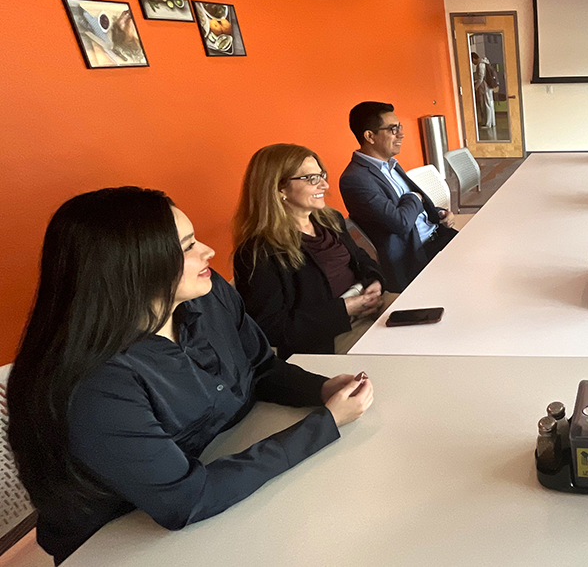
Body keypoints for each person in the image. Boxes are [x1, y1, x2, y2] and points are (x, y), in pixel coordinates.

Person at [7, 187, 374, 563]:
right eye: (186, 247)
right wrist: (325, 423)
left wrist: (321, 388)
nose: (208, 251)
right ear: (130, 266)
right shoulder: (95, 383)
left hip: (230, 480)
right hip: (125, 541)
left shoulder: (207, 294)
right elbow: (186, 500)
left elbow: (261, 368)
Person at [233, 144, 389, 357]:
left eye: (321, 175)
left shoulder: (330, 220)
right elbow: (271, 328)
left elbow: (361, 259)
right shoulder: (258, 252)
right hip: (329, 340)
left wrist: (375, 281)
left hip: (371, 306)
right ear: (279, 188)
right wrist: (345, 310)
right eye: (311, 178)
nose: (324, 185)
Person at [340, 101, 458, 291]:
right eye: (393, 129)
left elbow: (411, 207)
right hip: (416, 256)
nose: (401, 134)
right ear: (370, 136)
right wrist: (415, 198)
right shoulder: (355, 179)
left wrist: (439, 212)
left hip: (438, 235)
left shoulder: (391, 164)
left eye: (399, 127)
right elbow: (400, 222)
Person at [472, 52, 495, 129]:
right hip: (488, 86)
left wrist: (476, 86)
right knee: (490, 104)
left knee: (487, 104)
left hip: (485, 86)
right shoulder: (485, 62)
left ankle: (488, 124)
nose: (473, 63)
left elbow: (480, 77)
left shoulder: (481, 64)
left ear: (474, 59)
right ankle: (492, 122)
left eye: (472, 61)